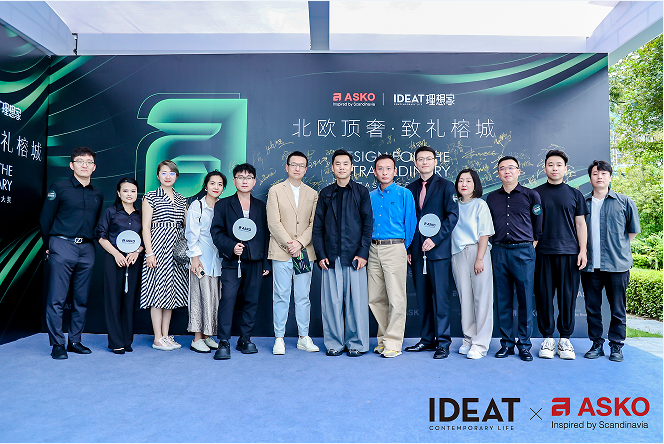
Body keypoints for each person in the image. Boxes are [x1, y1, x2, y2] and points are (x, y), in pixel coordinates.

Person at [39, 147, 103, 359]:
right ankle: (57, 344)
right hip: (62, 245)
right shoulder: (59, 188)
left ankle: (74, 341)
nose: (84, 165)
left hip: (87, 248)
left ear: (94, 167)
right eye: (80, 161)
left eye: (89, 162)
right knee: (57, 298)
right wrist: (49, 245)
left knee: (81, 299)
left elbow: (96, 222)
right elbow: (45, 219)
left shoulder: (97, 193)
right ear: (71, 165)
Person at [312, 149, 373, 357]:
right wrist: (321, 254)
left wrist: (363, 253)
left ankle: (356, 343)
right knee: (331, 303)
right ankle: (334, 344)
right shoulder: (325, 193)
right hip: (331, 257)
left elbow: (368, 225)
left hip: (355, 257)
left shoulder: (361, 192)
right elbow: (318, 227)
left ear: (352, 167)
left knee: (356, 304)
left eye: (345, 164)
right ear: (332, 167)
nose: (341, 167)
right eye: (337, 164)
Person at [581, 160, 640, 362]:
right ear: (590, 178)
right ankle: (596, 344)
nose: (599, 176)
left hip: (617, 266)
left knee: (617, 309)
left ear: (610, 177)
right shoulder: (583, 203)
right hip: (590, 267)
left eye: (604, 173)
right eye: (595, 173)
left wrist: (617, 249)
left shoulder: (624, 202)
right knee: (592, 308)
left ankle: (616, 346)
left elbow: (632, 232)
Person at [210, 163, 270, 360]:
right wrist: (231, 246)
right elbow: (216, 232)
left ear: (254, 181)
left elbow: (266, 235)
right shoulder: (223, 205)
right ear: (234, 181)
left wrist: (265, 263)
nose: (245, 181)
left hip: (255, 260)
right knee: (228, 298)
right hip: (232, 260)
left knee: (252, 300)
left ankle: (245, 338)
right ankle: (224, 341)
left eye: (248, 177)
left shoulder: (261, 206)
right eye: (241, 177)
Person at [486, 156, 542, 361]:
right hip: (499, 251)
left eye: (511, 168)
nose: (507, 171)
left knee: (525, 299)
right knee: (503, 300)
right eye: (502, 168)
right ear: (498, 173)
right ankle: (507, 344)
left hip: (524, 252)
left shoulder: (531, 195)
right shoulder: (491, 198)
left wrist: (527, 248)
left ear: (519, 171)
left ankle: (524, 345)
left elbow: (538, 226)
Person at [534, 150, 588, 360]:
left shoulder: (575, 194)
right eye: (550, 164)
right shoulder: (535, 194)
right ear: (545, 168)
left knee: (567, 297)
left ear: (566, 169)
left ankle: (565, 339)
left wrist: (583, 251)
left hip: (569, 254)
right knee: (544, 297)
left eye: (558, 165)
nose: (554, 168)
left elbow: (580, 224)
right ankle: (547, 339)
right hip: (542, 253)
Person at [405, 146, 459, 359]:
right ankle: (427, 340)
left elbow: (452, 216)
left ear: (435, 161)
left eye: (429, 159)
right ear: (415, 163)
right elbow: (409, 221)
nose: (425, 162)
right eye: (421, 159)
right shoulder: (410, 188)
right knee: (422, 298)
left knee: (441, 299)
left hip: (438, 252)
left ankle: (443, 342)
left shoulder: (446, 186)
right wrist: (410, 248)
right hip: (417, 253)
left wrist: (435, 240)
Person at [266, 151, 320, 355]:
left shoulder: (313, 194)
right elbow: (273, 222)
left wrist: (300, 243)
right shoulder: (275, 190)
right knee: (281, 295)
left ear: (306, 169)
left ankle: (303, 337)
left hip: (304, 253)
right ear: (287, 167)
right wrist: (290, 244)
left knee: (303, 296)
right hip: (282, 252)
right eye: (294, 164)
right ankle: (279, 338)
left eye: (301, 165)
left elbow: (314, 224)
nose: (297, 168)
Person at [368, 154, 416, 358]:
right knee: (375, 298)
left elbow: (411, 224)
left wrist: (404, 248)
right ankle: (383, 340)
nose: (384, 172)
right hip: (372, 248)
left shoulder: (404, 194)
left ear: (395, 171)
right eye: (380, 168)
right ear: (375, 172)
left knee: (396, 297)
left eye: (388, 168)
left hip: (395, 247)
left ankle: (394, 343)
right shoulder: (370, 196)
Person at [140, 160, 188, 351]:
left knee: (171, 294)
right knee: (158, 292)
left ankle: (166, 335)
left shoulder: (182, 199)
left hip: (176, 251)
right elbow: (145, 227)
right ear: (158, 175)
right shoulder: (150, 197)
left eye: (172, 173)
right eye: (164, 173)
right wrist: (149, 252)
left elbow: (187, 225)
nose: (168, 176)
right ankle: (157, 337)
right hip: (158, 248)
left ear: (177, 176)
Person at [451, 169, 495, 359]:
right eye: (461, 180)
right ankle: (469, 338)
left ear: (475, 184)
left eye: (468, 181)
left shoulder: (480, 204)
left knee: (482, 298)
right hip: (457, 253)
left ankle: (480, 344)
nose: (464, 184)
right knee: (465, 298)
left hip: (477, 251)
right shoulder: (453, 205)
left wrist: (479, 258)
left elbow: (485, 233)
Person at [96, 178, 143, 354]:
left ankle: (127, 340)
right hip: (114, 259)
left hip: (133, 260)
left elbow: (146, 238)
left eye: (133, 191)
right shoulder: (110, 211)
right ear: (118, 193)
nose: (129, 194)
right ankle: (116, 342)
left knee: (130, 301)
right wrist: (116, 254)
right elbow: (101, 236)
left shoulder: (141, 214)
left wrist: (137, 251)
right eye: (125, 191)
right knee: (113, 300)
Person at [185, 171, 226, 353]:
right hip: (200, 260)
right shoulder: (197, 206)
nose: (216, 187)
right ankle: (197, 338)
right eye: (212, 183)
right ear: (206, 185)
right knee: (199, 298)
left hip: (217, 261)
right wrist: (194, 258)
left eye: (220, 184)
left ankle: (208, 335)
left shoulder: (222, 206)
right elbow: (191, 233)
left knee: (213, 298)